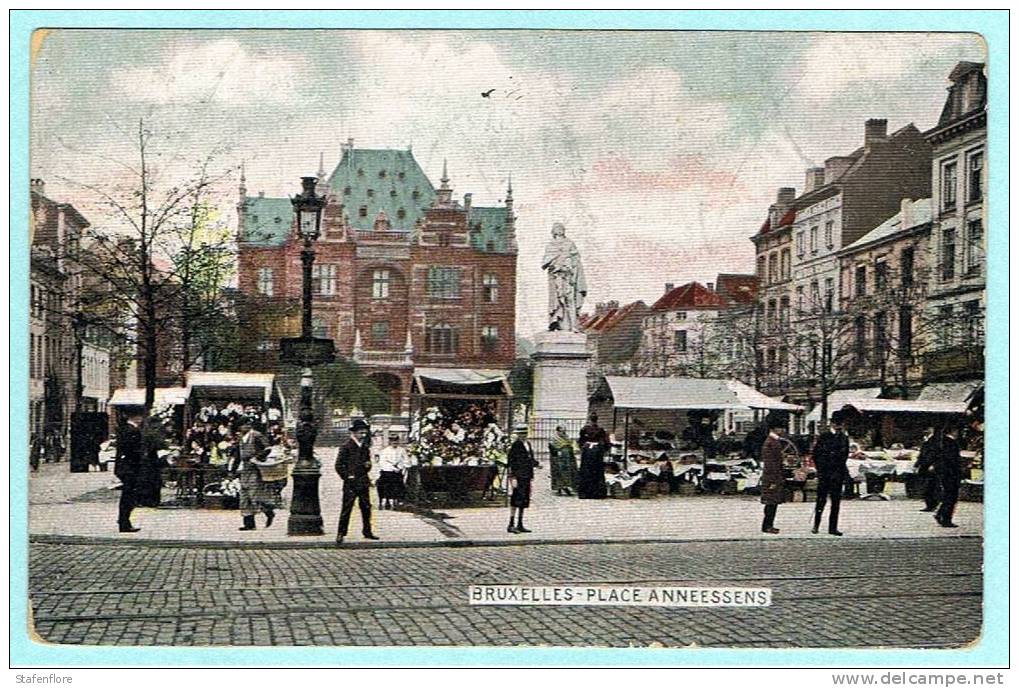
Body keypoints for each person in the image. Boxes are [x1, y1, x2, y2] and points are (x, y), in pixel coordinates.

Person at [335, 418, 378, 543]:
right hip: (351, 483)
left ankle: (367, 531)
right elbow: (338, 465)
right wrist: (347, 476)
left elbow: (367, 463)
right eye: (361, 433)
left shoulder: (364, 447)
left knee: (366, 507)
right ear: (354, 433)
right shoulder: (346, 446)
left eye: (364, 433)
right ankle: (341, 533)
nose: (363, 435)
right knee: (347, 508)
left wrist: (368, 465)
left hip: (363, 481)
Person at [811, 410, 850, 536]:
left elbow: (844, 456)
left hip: (837, 474)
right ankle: (816, 525)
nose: (839, 427)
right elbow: (816, 455)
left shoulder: (844, 438)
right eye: (837, 424)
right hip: (825, 474)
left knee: (836, 502)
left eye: (841, 424)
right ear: (832, 424)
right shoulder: (824, 437)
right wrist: (821, 470)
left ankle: (833, 527)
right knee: (821, 500)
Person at [232, 418, 274, 531]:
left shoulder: (256, 435)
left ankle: (269, 512)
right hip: (245, 469)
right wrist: (233, 469)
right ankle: (249, 524)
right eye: (241, 426)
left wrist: (257, 458)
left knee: (254, 495)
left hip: (255, 469)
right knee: (244, 496)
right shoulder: (241, 439)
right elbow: (238, 455)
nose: (242, 428)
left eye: (244, 425)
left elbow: (268, 448)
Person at [114, 410, 145, 533]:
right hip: (131, 468)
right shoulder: (133, 431)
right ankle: (124, 522)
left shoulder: (123, 429)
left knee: (128, 496)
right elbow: (134, 451)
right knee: (129, 496)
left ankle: (124, 521)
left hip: (124, 467)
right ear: (136, 417)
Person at [507, 424, 540, 533]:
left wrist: (536, 464)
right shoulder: (515, 445)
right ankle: (511, 524)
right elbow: (512, 461)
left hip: (527, 475)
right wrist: (513, 477)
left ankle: (520, 523)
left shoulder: (528, 444)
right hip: (518, 475)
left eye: (524, 433)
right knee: (516, 499)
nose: (523, 435)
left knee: (524, 499)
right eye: (520, 434)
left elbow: (530, 459)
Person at [760, 412, 789, 534]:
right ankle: (767, 525)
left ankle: (769, 524)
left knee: (773, 501)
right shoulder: (771, 442)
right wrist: (773, 480)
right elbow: (771, 463)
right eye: (780, 428)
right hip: (772, 476)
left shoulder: (773, 441)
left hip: (774, 475)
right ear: (774, 428)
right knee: (771, 502)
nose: (782, 430)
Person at [935, 426, 963, 528]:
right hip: (952, 474)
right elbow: (953, 460)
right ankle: (946, 519)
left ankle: (940, 514)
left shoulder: (942, 442)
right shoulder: (952, 443)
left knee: (947, 495)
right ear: (954, 431)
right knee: (951, 497)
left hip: (944, 473)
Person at [576, 413, 609, 499]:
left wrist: (583, 447)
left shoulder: (584, 429)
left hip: (587, 452)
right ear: (596, 419)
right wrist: (603, 449)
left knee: (586, 471)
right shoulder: (600, 429)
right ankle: (597, 493)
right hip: (597, 452)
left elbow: (580, 441)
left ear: (590, 419)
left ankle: (585, 493)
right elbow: (605, 442)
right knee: (597, 471)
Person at [377, 432, 409, 510]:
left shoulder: (402, 450)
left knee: (399, 483)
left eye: (396, 441)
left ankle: (397, 500)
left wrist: (400, 467)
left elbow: (407, 461)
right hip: (387, 472)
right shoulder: (385, 451)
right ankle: (386, 500)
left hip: (398, 472)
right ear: (390, 442)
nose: (395, 442)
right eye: (393, 441)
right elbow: (382, 463)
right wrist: (392, 468)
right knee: (385, 483)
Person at [914, 427, 941, 512]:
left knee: (932, 486)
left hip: (931, 466)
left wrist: (934, 464)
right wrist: (917, 465)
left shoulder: (936, 440)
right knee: (926, 486)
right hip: (924, 465)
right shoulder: (926, 440)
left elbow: (938, 453)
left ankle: (933, 504)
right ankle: (929, 504)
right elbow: (922, 454)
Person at [548, 425, 578, 496]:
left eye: (564, 431)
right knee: (558, 473)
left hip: (567, 458)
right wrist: (557, 452)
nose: (563, 433)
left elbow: (571, 445)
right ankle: (559, 488)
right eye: (562, 431)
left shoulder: (567, 437)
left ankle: (567, 486)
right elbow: (552, 448)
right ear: (558, 431)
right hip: (558, 458)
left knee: (568, 473)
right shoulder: (554, 438)